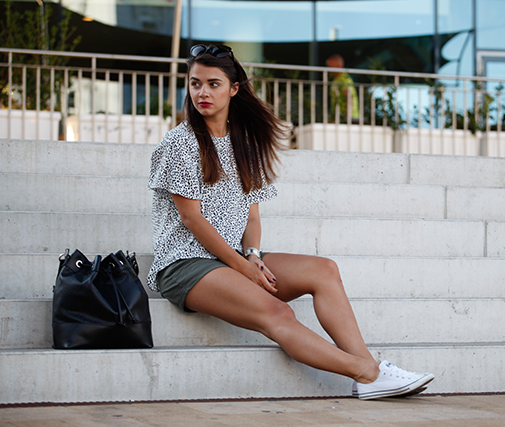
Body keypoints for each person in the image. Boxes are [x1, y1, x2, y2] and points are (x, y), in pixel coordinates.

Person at [147, 44, 435, 400]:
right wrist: (241, 266)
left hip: (232, 257)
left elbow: (252, 215)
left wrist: (252, 255)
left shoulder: (243, 143)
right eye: (195, 83)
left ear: (234, 89)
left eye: (213, 84)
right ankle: (369, 372)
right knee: (277, 312)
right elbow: (191, 218)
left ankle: (369, 373)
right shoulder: (180, 142)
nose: (202, 92)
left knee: (324, 270)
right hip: (185, 264)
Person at [326, 54, 359, 122]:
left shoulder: (344, 79)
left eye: (330, 67)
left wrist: (347, 118)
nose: (329, 70)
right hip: (341, 117)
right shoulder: (336, 79)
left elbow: (349, 97)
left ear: (338, 66)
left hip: (349, 118)